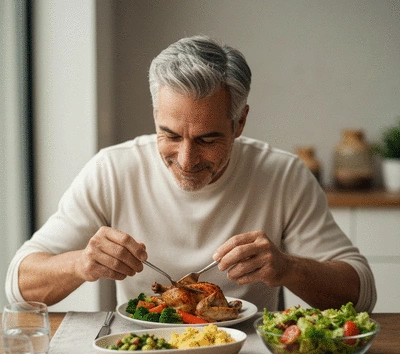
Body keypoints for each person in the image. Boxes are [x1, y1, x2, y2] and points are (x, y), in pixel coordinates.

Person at [6, 35, 376, 313]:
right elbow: (17, 286)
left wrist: (288, 267)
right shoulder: (112, 170)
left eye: (207, 138)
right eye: (169, 135)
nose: (186, 159)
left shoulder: (283, 175)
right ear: (155, 116)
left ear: (239, 122)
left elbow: (361, 294)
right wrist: (80, 263)